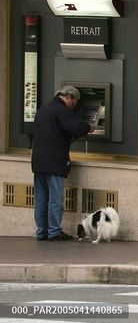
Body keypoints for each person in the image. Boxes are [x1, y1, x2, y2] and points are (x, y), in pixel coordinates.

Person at [31, 85, 94, 241]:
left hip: (39, 161)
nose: (74, 106)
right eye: (75, 102)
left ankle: (42, 231)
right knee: (55, 198)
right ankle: (53, 232)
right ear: (69, 97)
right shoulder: (61, 110)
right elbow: (75, 126)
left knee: (41, 198)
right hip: (54, 161)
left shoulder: (43, 110)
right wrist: (89, 127)